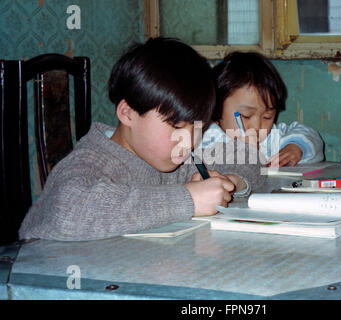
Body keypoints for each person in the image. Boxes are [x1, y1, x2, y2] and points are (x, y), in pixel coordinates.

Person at [19, 38, 265, 241]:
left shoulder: (173, 157)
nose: (189, 141)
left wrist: (230, 182)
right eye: (176, 126)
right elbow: (68, 211)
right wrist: (188, 199)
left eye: (197, 127)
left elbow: (247, 157)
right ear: (127, 113)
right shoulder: (92, 161)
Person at [202, 51, 324, 167]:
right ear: (215, 111)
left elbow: (312, 137)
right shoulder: (204, 139)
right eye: (246, 115)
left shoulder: (273, 140)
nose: (257, 126)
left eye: (267, 117)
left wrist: (296, 146)